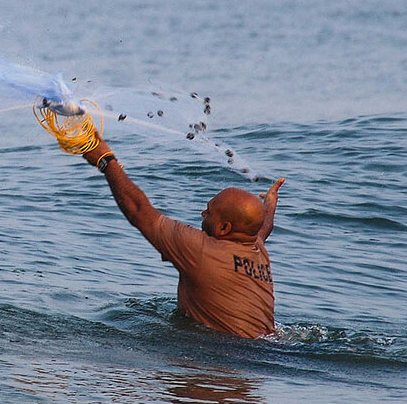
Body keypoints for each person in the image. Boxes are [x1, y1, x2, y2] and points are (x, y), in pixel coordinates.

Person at [77, 133, 284, 338]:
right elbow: (262, 229)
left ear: (224, 229)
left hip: (222, 352)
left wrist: (105, 160)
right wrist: (269, 208)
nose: (203, 214)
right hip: (266, 347)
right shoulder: (256, 248)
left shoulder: (201, 249)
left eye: (209, 212)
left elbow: (139, 212)